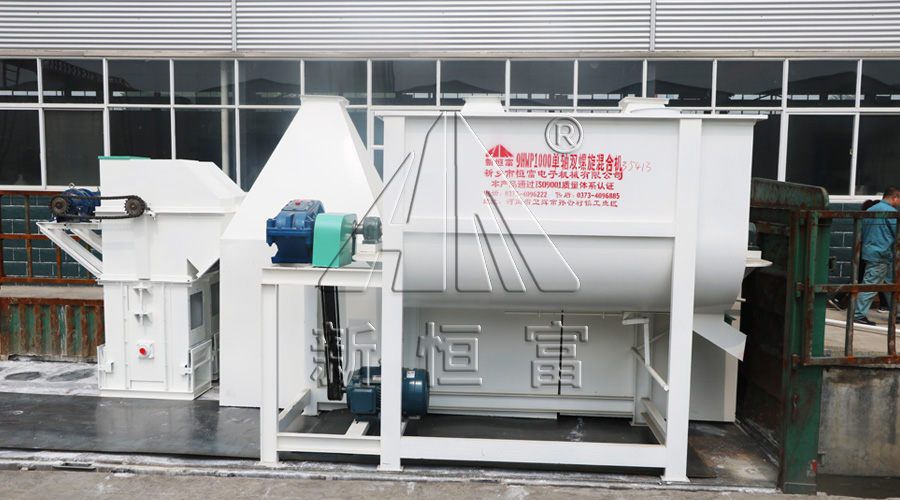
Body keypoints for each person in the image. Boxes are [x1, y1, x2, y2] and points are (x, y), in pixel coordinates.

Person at [828, 199, 891, 311]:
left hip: (865, 251)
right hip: (873, 253)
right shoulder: (877, 219)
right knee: (872, 278)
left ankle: (884, 305)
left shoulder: (866, 219)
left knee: (868, 277)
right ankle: (860, 308)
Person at [854, 187, 900, 326]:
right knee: (871, 284)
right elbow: (897, 234)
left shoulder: (870, 210)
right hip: (882, 254)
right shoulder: (891, 213)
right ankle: (858, 314)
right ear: (894, 197)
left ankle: (898, 313)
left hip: (872, 252)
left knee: (891, 283)